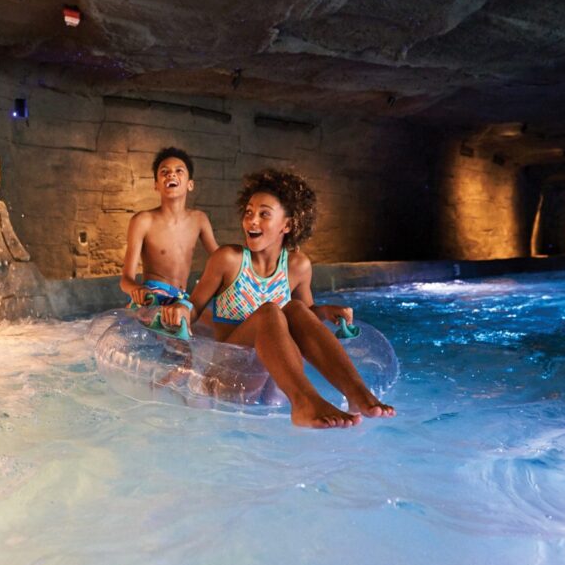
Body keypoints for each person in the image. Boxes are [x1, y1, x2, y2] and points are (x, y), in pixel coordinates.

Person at [161, 169, 396, 429]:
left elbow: (305, 318)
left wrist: (326, 312)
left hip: (272, 385)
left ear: (287, 225)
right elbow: (194, 308)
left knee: (294, 309)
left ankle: (356, 394)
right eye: (249, 212)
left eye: (264, 214)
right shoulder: (228, 259)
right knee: (271, 312)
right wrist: (181, 309)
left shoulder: (297, 266)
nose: (252, 221)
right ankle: (305, 402)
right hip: (231, 376)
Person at [119, 147, 218, 308]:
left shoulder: (199, 219)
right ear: (156, 185)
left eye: (179, 171)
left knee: (215, 327)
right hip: (152, 297)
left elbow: (220, 258)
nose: (171, 174)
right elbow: (125, 280)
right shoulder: (143, 221)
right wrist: (137, 290)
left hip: (181, 298)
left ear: (190, 184)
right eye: (164, 172)